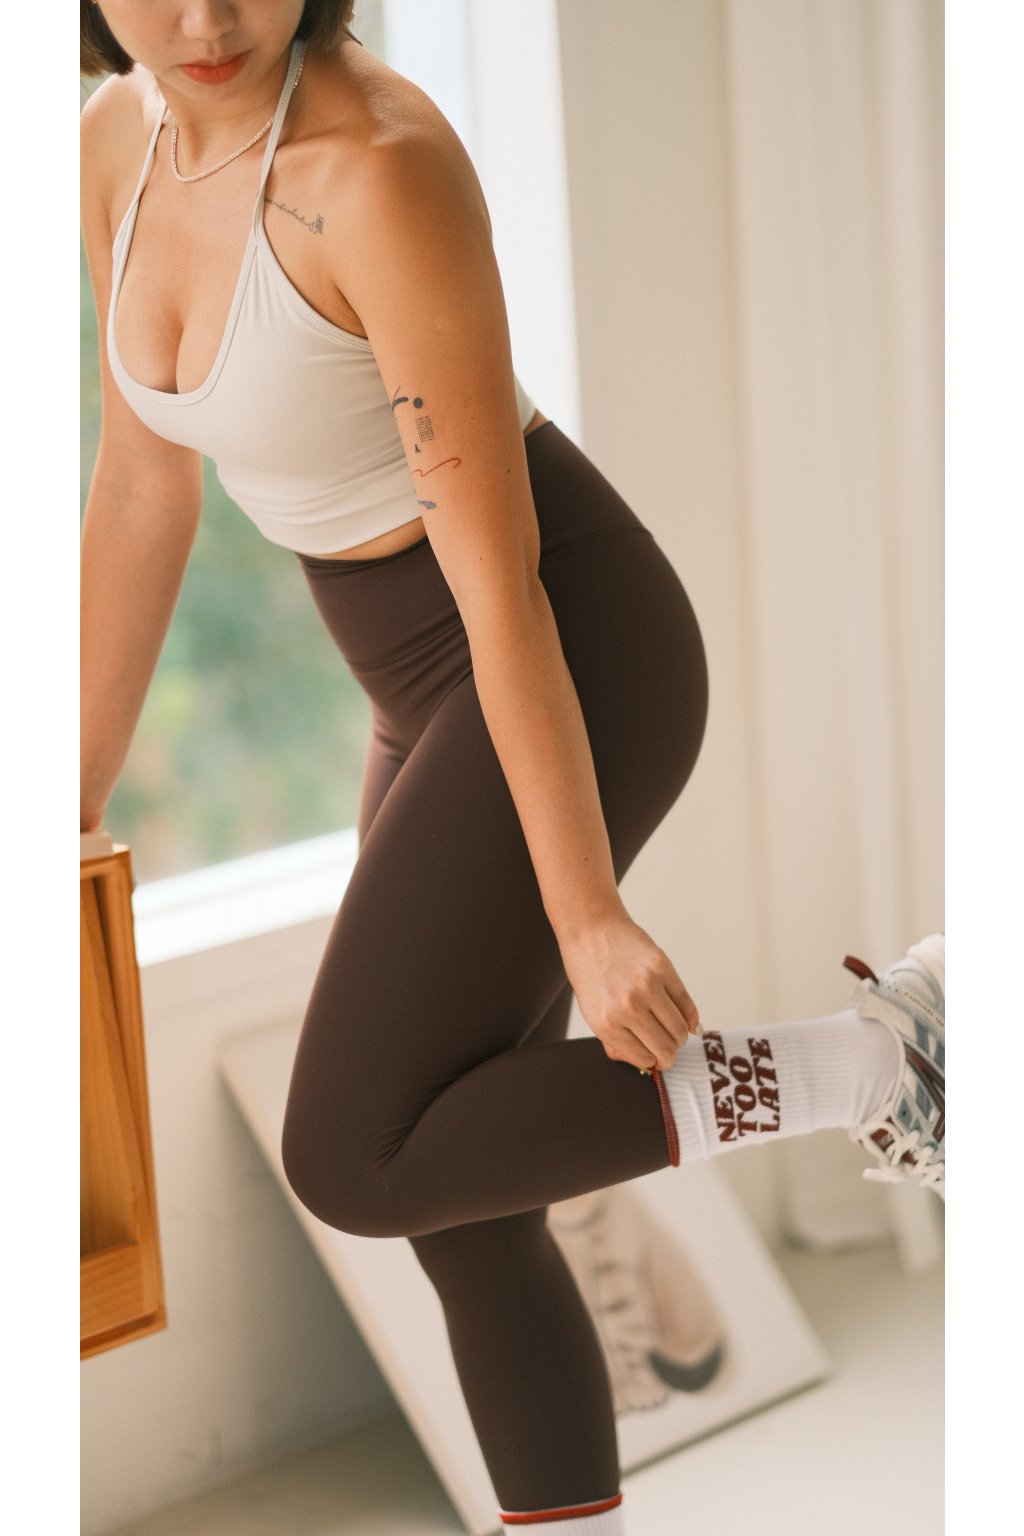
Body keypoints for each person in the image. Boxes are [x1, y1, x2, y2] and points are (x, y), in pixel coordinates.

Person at [79, 5, 945, 1532]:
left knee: (353, 1153)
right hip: (417, 687)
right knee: (469, 1218)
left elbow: (499, 579)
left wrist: (586, 909)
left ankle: (882, 1062)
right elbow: (147, 494)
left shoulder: (377, 166)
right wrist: (59, 803)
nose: (206, 20)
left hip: (564, 646)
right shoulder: (115, 149)